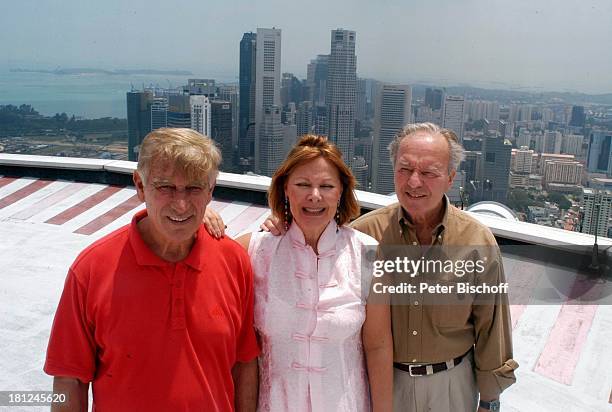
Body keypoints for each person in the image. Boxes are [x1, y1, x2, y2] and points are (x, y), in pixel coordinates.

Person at [254, 123, 518, 412]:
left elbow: (492, 327)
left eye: (429, 172)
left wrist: (490, 402)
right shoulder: (366, 235)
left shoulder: (477, 241)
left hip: (450, 384)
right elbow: (317, 233)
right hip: (383, 382)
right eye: (405, 169)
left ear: (450, 178)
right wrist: (281, 221)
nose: (414, 182)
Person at [44, 128, 259, 412]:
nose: (180, 204)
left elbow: (244, 364)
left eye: (193, 188)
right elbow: (69, 380)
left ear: (210, 190)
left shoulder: (234, 261)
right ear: (140, 186)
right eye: (165, 187)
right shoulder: (92, 269)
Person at [234, 135, 393, 411]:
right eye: (303, 184)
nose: (314, 196)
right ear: (285, 188)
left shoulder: (369, 254)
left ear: (341, 191)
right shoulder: (254, 251)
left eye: (326, 186)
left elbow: (378, 347)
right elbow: (243, 354)